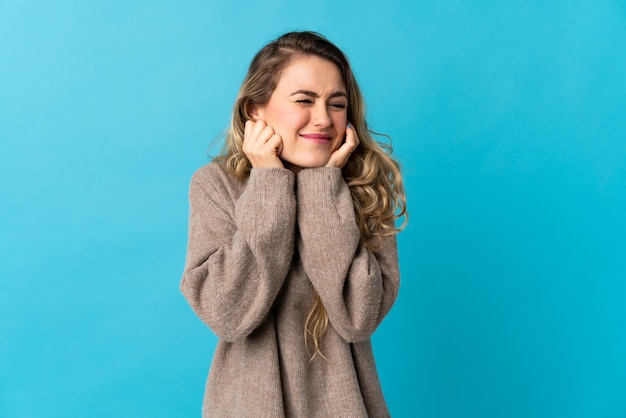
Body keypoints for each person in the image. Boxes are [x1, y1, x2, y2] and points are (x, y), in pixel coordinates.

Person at [180, 31, 407, 417]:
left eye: (337, 104)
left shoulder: (367, 189)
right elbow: (228, 314)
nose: (323, 119)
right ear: (255, 110)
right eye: (304, 100)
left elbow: (357, 318)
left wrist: (324, 191)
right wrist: (268, 181)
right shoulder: (216, 186)